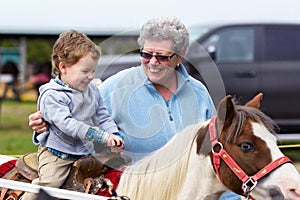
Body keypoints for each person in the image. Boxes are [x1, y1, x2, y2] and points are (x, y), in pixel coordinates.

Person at [28, 17, 240, 200]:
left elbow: (219, 157)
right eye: (146, 54)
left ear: (180, 56)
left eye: (162, 57)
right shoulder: (116, 86)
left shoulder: (199, 93)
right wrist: (43, 128)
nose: (153, 62)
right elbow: (73, 127)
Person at [22, 30, 124, 200]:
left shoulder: (92, 90)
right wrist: (101, 136)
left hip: (86, 152)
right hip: (58, 154)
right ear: (63, 67)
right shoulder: (51, 95)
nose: (91, 76)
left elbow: (103, 115)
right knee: (49, 185)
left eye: (93, 71)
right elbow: (69, 125)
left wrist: (114, 134)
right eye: (85, 71)